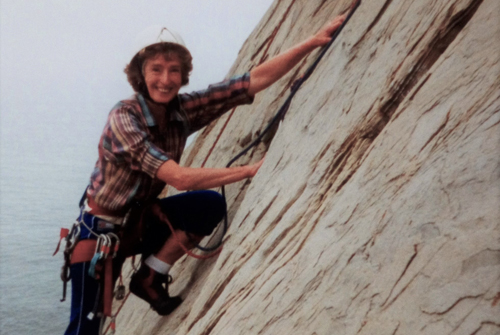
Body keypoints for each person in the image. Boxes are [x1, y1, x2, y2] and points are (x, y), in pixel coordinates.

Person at [63, 14, 346, 335]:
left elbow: (244, 84)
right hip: (101, 234)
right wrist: (248, 171)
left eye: (174, 70)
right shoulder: (124, 119)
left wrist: (312, 42)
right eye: (156, 69)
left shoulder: (179, 111)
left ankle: (149, 277)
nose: (166, 79)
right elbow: (180, 179)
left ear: (183, 75)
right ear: (140, 75)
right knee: (86, 327)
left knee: (207, 206)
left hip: (139, 221)